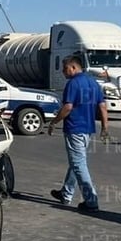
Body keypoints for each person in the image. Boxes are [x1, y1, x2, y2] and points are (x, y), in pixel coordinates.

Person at [47, 54, 109, 212]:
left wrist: (54, 122)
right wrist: (105, 128)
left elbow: (67, 107)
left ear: (73, 67)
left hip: (75, 128)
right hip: (88, 130)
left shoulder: (73, 84)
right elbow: (102, 106)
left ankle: (91, 201)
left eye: (65, 69)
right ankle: (66, 194)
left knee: (78, 164)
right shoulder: (93, 83)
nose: (63, 72)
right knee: (77, 162)